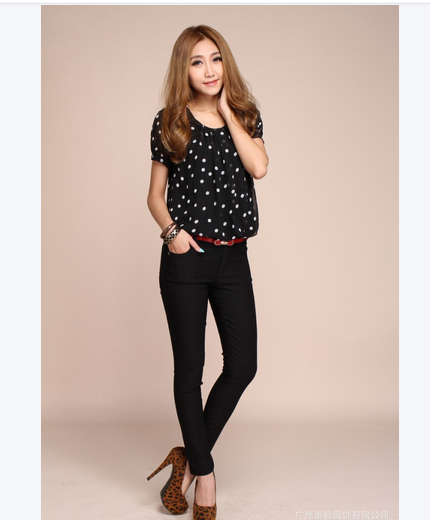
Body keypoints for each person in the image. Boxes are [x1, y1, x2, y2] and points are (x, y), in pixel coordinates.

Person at [146, 25, 268, 520]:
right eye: (197, 61)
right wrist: (171, 232)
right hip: (186, 259)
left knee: (243, 365)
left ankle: (187, 458)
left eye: (215, 58)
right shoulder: (169, 122)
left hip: (233, 258)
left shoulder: (247, 114)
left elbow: (259, 168)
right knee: (189, 372)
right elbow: (154, 196)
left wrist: (227, 113)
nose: (209, 69)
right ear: (185, 69)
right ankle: (206, 475)